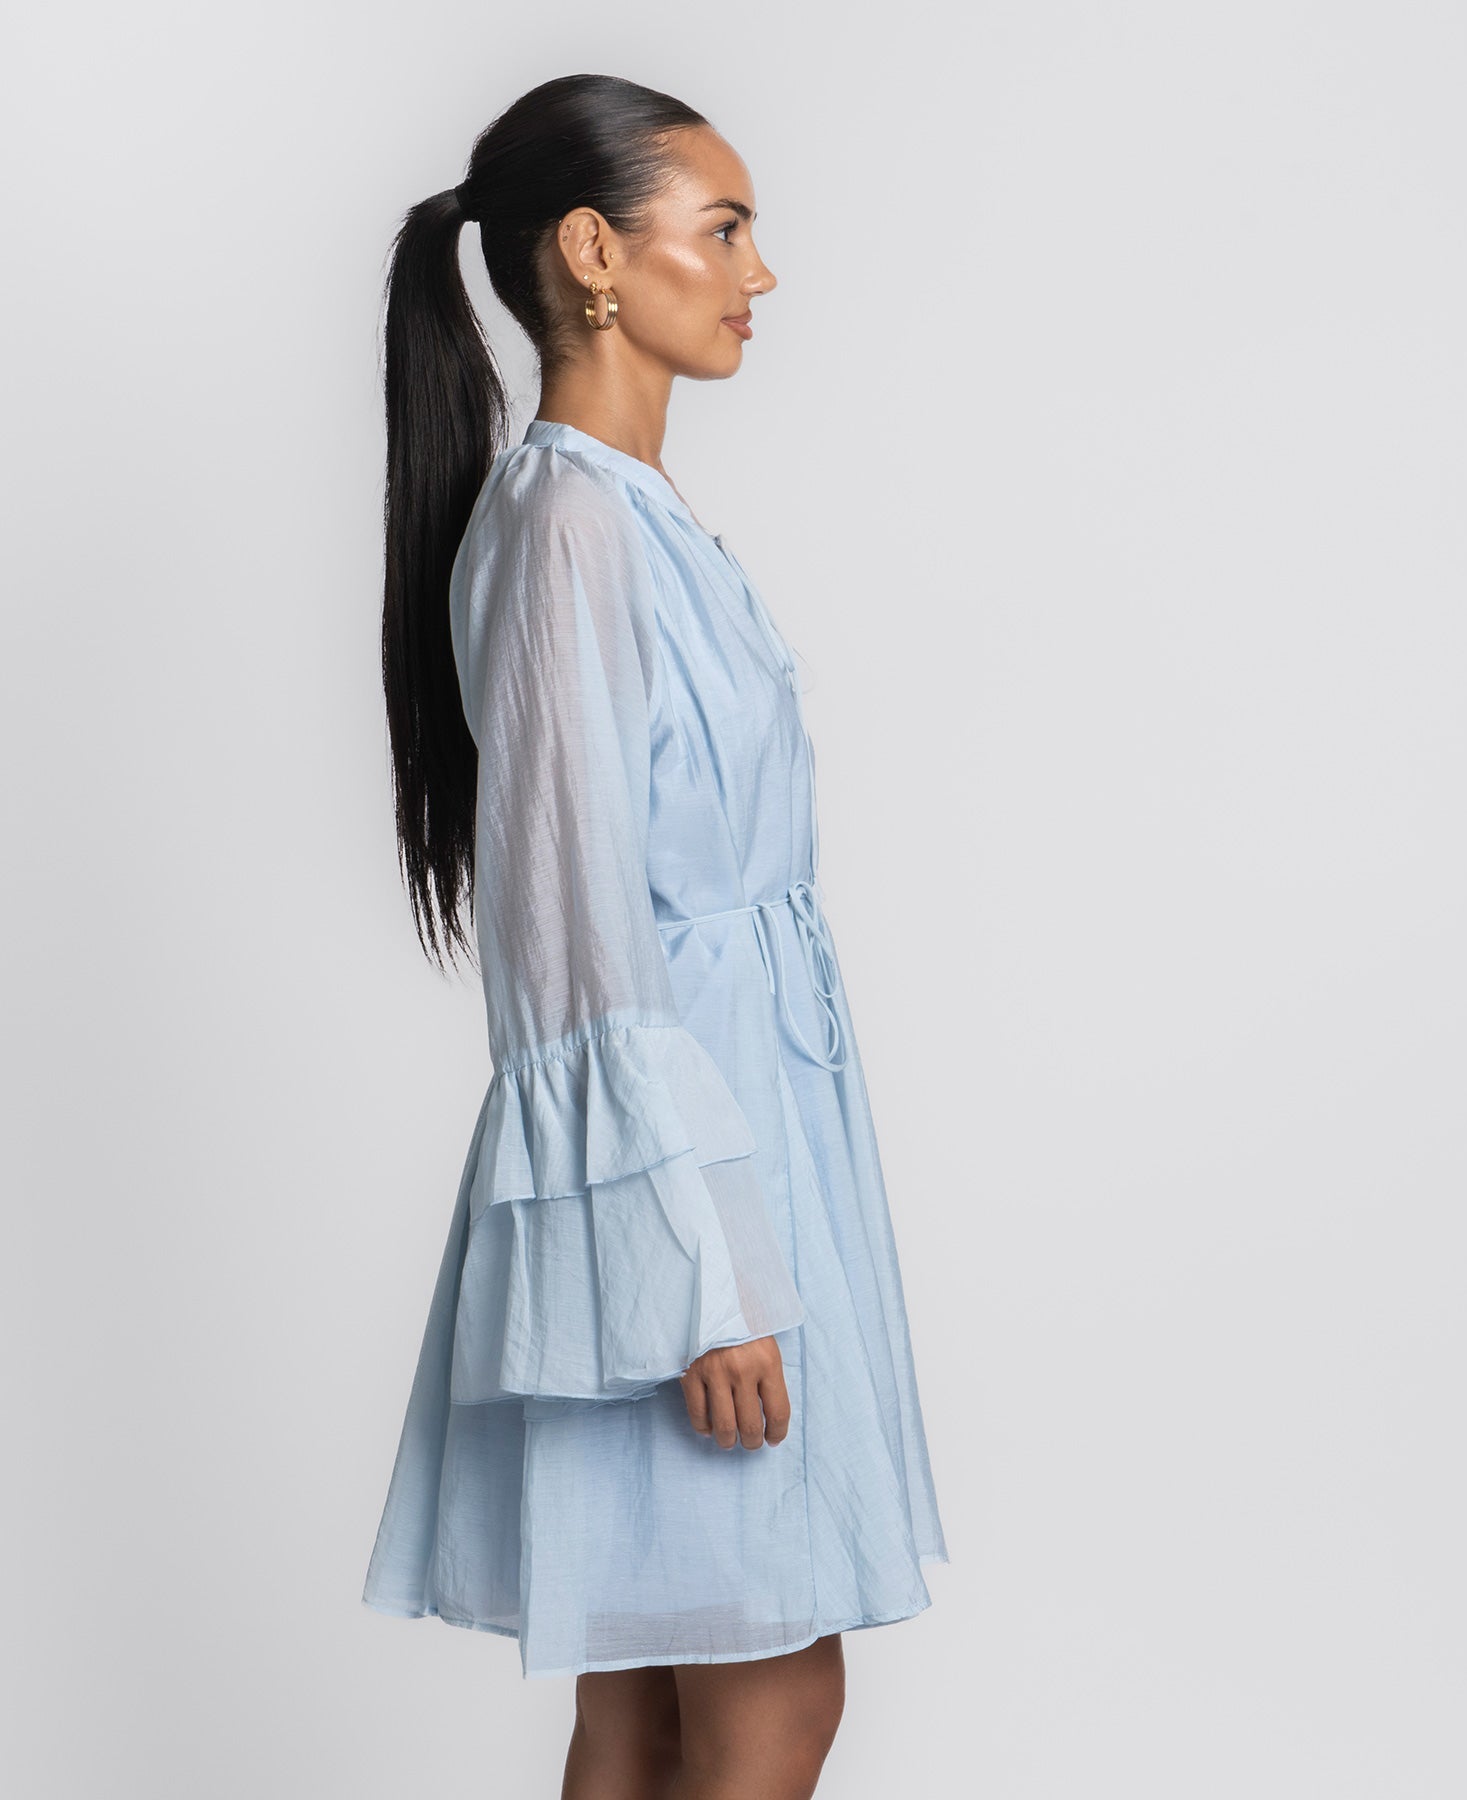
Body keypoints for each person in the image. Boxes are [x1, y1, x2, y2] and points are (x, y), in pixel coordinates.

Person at [363, 72, 948, 1799]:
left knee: (652, 1702)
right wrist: (699, 1277)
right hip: (687, 1182)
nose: (759, 275)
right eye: (727, 229)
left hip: (741, 1140)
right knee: (768, 1689)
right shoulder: (565, 530)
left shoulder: (623, 515)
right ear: (595, 252)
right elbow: (573, 940)